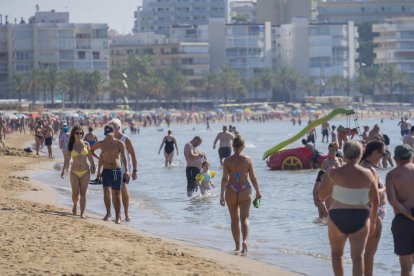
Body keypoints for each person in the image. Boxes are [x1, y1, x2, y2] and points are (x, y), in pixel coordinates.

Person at [319, 141, 379, 276]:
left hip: (337, 216)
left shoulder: (334, 173)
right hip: (361, 216)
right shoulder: (369, 174)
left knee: (337, 255)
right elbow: (375, 200)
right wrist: (373, 221)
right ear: (361, 154)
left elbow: (321, 195)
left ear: (344, 155)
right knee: (357, 257)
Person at [220, 135, 261, 255]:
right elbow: (253, 178)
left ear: (232, 146)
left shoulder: (227, 161)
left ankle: (237, 246)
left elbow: (224, 179)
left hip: (231, 190)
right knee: (245, 219)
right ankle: (245, 242)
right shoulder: (248, 160)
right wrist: (258, 192)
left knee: (234, 220)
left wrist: (221, 195)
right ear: (243, 146)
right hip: (245, 190)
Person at [90, 125, 129, 224]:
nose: (108, 137)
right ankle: (108, 213)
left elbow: (124, 158)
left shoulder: (119, 143)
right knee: (106, 191)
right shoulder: (101, 144)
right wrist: (99, 159)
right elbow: (90, 151)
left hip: (116, 171)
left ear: (114, 133)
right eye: (107, 135)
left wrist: (127, 170)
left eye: (110, 135)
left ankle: (118, 216)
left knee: (116, 194)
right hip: (106, 171)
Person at [360, 141, 387, 276]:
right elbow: (374, 196)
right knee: (370, 253)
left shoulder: (360, 166)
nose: (382, 157)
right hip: (373, 214)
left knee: (362, 252)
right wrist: (386, 188)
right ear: (375, 152)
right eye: (382, 154)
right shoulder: (370, 169)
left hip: (360, 213)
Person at [386, 144, 414, 276]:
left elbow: (392, 200)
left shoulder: (392, 174)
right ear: (411, 156)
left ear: (395, 158)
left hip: (403, 220)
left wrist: (408, 214)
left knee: (406, 266)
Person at [60, 126, 95, 218]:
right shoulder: (71, 145)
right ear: (73, 134)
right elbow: (67, 159)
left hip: (85, 172)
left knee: (83, 193)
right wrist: (63, 170)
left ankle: (82, 212)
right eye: (77, 133)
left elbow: (90, 157)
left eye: (81, 133)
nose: (79, 135)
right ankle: (75, 205)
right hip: (74, 172)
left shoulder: (86, 144)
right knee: (75, 194)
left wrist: (93, 165)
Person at [109, 118, 138, 222]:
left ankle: (126, 213)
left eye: (113, 127)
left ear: (118, 128)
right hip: (112, 169)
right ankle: (118, 215)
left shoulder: (126, 139)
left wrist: (134, 171)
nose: (110, 129)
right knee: (114, 192)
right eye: (109, 127)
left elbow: (133, 156)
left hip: (124, 169)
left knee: (124, 189)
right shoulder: (108, 139)